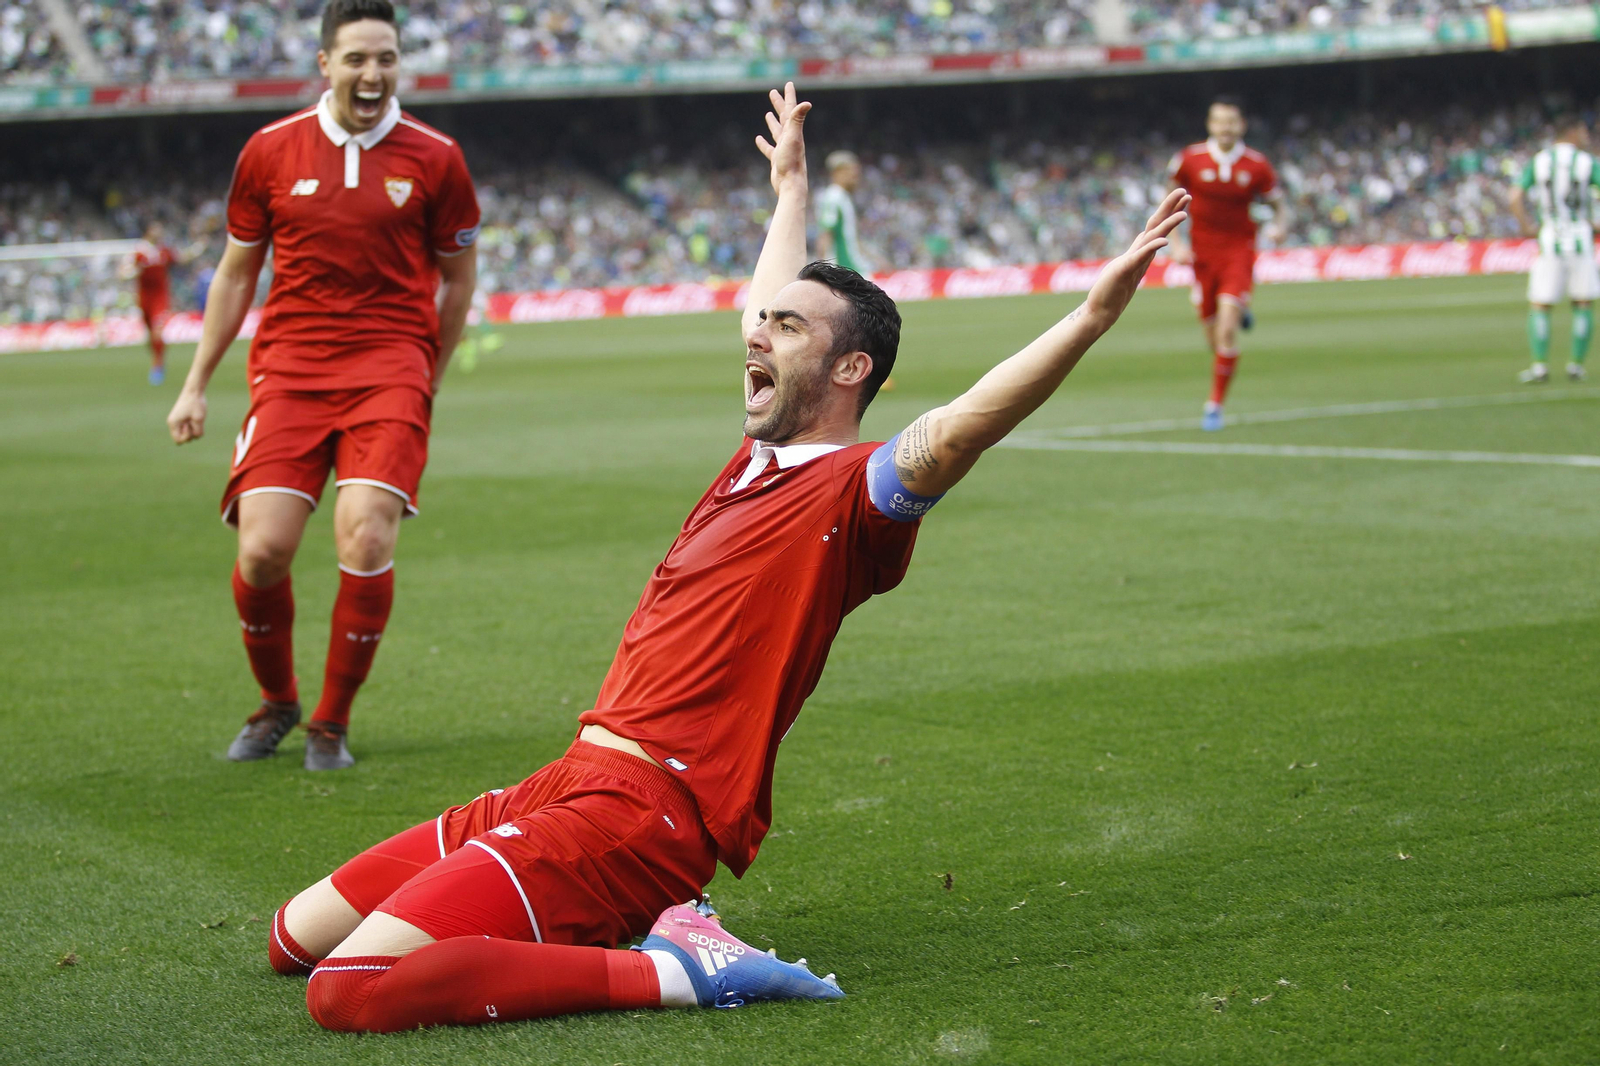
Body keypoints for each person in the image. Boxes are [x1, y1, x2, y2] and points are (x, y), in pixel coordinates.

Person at [267, 83, 1188, 1033]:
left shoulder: (856, 493)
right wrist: (788, 192)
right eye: (762, 322)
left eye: (787, 328)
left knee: (353, 987)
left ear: (850, 370)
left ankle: (684, 971)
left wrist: (1087, 318)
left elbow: (959, 431)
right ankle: (613, 926)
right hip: (569, 779)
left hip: (641, 819)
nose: (758, 330)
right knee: (293, 943)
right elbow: (770, 303)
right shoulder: (753, 460)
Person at [164, 0, 480, 771]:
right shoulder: (270, 151)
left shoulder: (436, 156)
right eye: (357, 59)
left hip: (390, 368)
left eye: (387, 59)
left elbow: (459, 282)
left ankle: (330, 725)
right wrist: (196, 382)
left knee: (367, 532)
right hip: (291, 370)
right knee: (264, 550)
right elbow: (237, 274)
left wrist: (422, 379)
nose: (372, 74)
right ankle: (277, 704)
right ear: (325, 64)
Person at [1167, 96, 1288, 431]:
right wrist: (1175, 244)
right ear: (1210, 124)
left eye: (1231, 122)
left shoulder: (1256, 165)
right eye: (1219, 121)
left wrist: (1280, 226)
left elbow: (1279, 205)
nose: (1225, 128)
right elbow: (1170, 202)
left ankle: (1214, 405)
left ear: (1241, 125)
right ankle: (1237, 311)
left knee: (1225, 331)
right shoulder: (1188, 160)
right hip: (1202, 256)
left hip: (1239, 252)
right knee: (1212, 337)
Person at [1509, 119, 1599, 384]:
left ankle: (1539, 366)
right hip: (1581, 237)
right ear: (1571, 132)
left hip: (1549, 238)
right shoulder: (1587, 162)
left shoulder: (1539, 160)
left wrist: (1526, 225)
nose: (1586, 135)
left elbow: (1515, 196)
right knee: (1583, 302)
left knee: (1540, 304)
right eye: (1583, 131)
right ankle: (1576, 366)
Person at [125, 222, 199, 386]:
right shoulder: (139, 251)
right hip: (144, 298)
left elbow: (182, 258)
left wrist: (197, 248)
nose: (159, 232)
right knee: (150, 334)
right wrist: (132, 272)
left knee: (158, 331)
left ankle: (158, 365)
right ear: (148, 232)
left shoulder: (164, 250)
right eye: (156, 229)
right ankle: (156, 356)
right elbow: (123, 272)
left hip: (161, 297)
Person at [815, 150, 871, 276]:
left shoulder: (844, 197)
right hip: (844, 267)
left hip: (852, 264)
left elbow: (850, 237)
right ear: (838, 172)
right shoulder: (834, 197)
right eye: (851, 172)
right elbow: (826, 233)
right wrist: (823, 269)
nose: (856, 177)